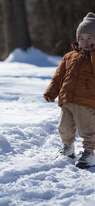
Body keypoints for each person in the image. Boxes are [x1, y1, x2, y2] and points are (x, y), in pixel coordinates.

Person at [44, 12, 95, 169]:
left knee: (87, 130)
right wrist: (51, 92)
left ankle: (89, 153)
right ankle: (68, 148)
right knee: (64, 127)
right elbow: (58, 77)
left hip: (87, 102)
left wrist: (92, 54)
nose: (85, 42)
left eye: (90, 38)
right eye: (82, 38)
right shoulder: (69, 56)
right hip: (67, 100)